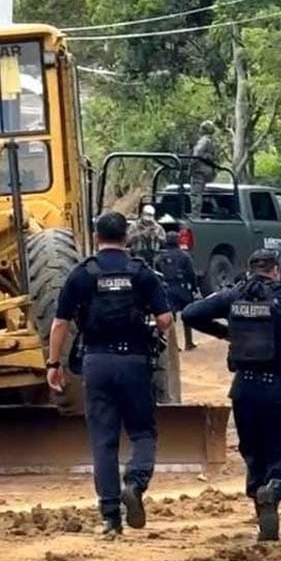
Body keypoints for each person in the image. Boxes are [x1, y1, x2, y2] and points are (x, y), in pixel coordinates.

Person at [183, 249, 281, 541]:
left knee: (255, 456)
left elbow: (191, 313)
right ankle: (276, 489)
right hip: (279, 390)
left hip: (243, 390)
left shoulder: (234, 296)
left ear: (250, 269)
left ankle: (264, 523)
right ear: (276, 270)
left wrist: (224, 332)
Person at [48, 211, 173, 537]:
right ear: (127, 237)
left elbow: (60, 323)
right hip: (133, 361)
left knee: (103, 442)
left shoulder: (82, 274)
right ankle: (135, 482)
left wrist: (53, 364)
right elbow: (165, 320)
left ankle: (110, 518)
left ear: (95, 235)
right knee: (143, 433)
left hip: (96, 362)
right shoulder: (141, 273)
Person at [155, 231, 199, 350]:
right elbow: (191, 273)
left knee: (171, 318)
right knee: (187, 315)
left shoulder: (159, 258)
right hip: (183, 287)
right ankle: (188, 342)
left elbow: (156, 275)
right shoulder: (185, 256)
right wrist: (195, 287)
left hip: (167, 288)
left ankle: (173, 345)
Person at [189, 120, 217, 213]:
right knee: (199, 193)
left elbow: (197, 154)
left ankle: (195, 214)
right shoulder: (211, 141)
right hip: (206, 170)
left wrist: (191, 166)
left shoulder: (204, 140)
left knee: (195, 194)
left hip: (199, 170)